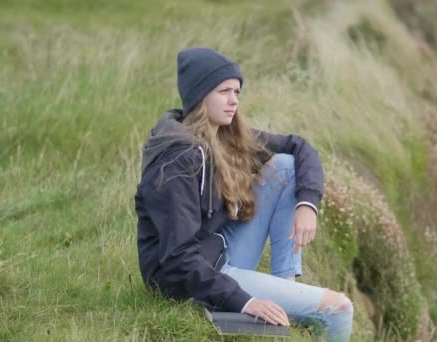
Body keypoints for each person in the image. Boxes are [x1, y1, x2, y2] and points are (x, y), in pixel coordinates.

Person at [134, 47, 353, 341]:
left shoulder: (223, 133)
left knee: (286, 166)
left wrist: (308, 204)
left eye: (237, 91)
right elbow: (179, 258)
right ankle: (286, 300)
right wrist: (246, 301)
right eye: (224, 91)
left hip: (217, 252)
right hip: (186, 282)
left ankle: (285, 283)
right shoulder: (177, 161)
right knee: (340, 309)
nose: (234, 100)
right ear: (200, 96)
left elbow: (298, 147)